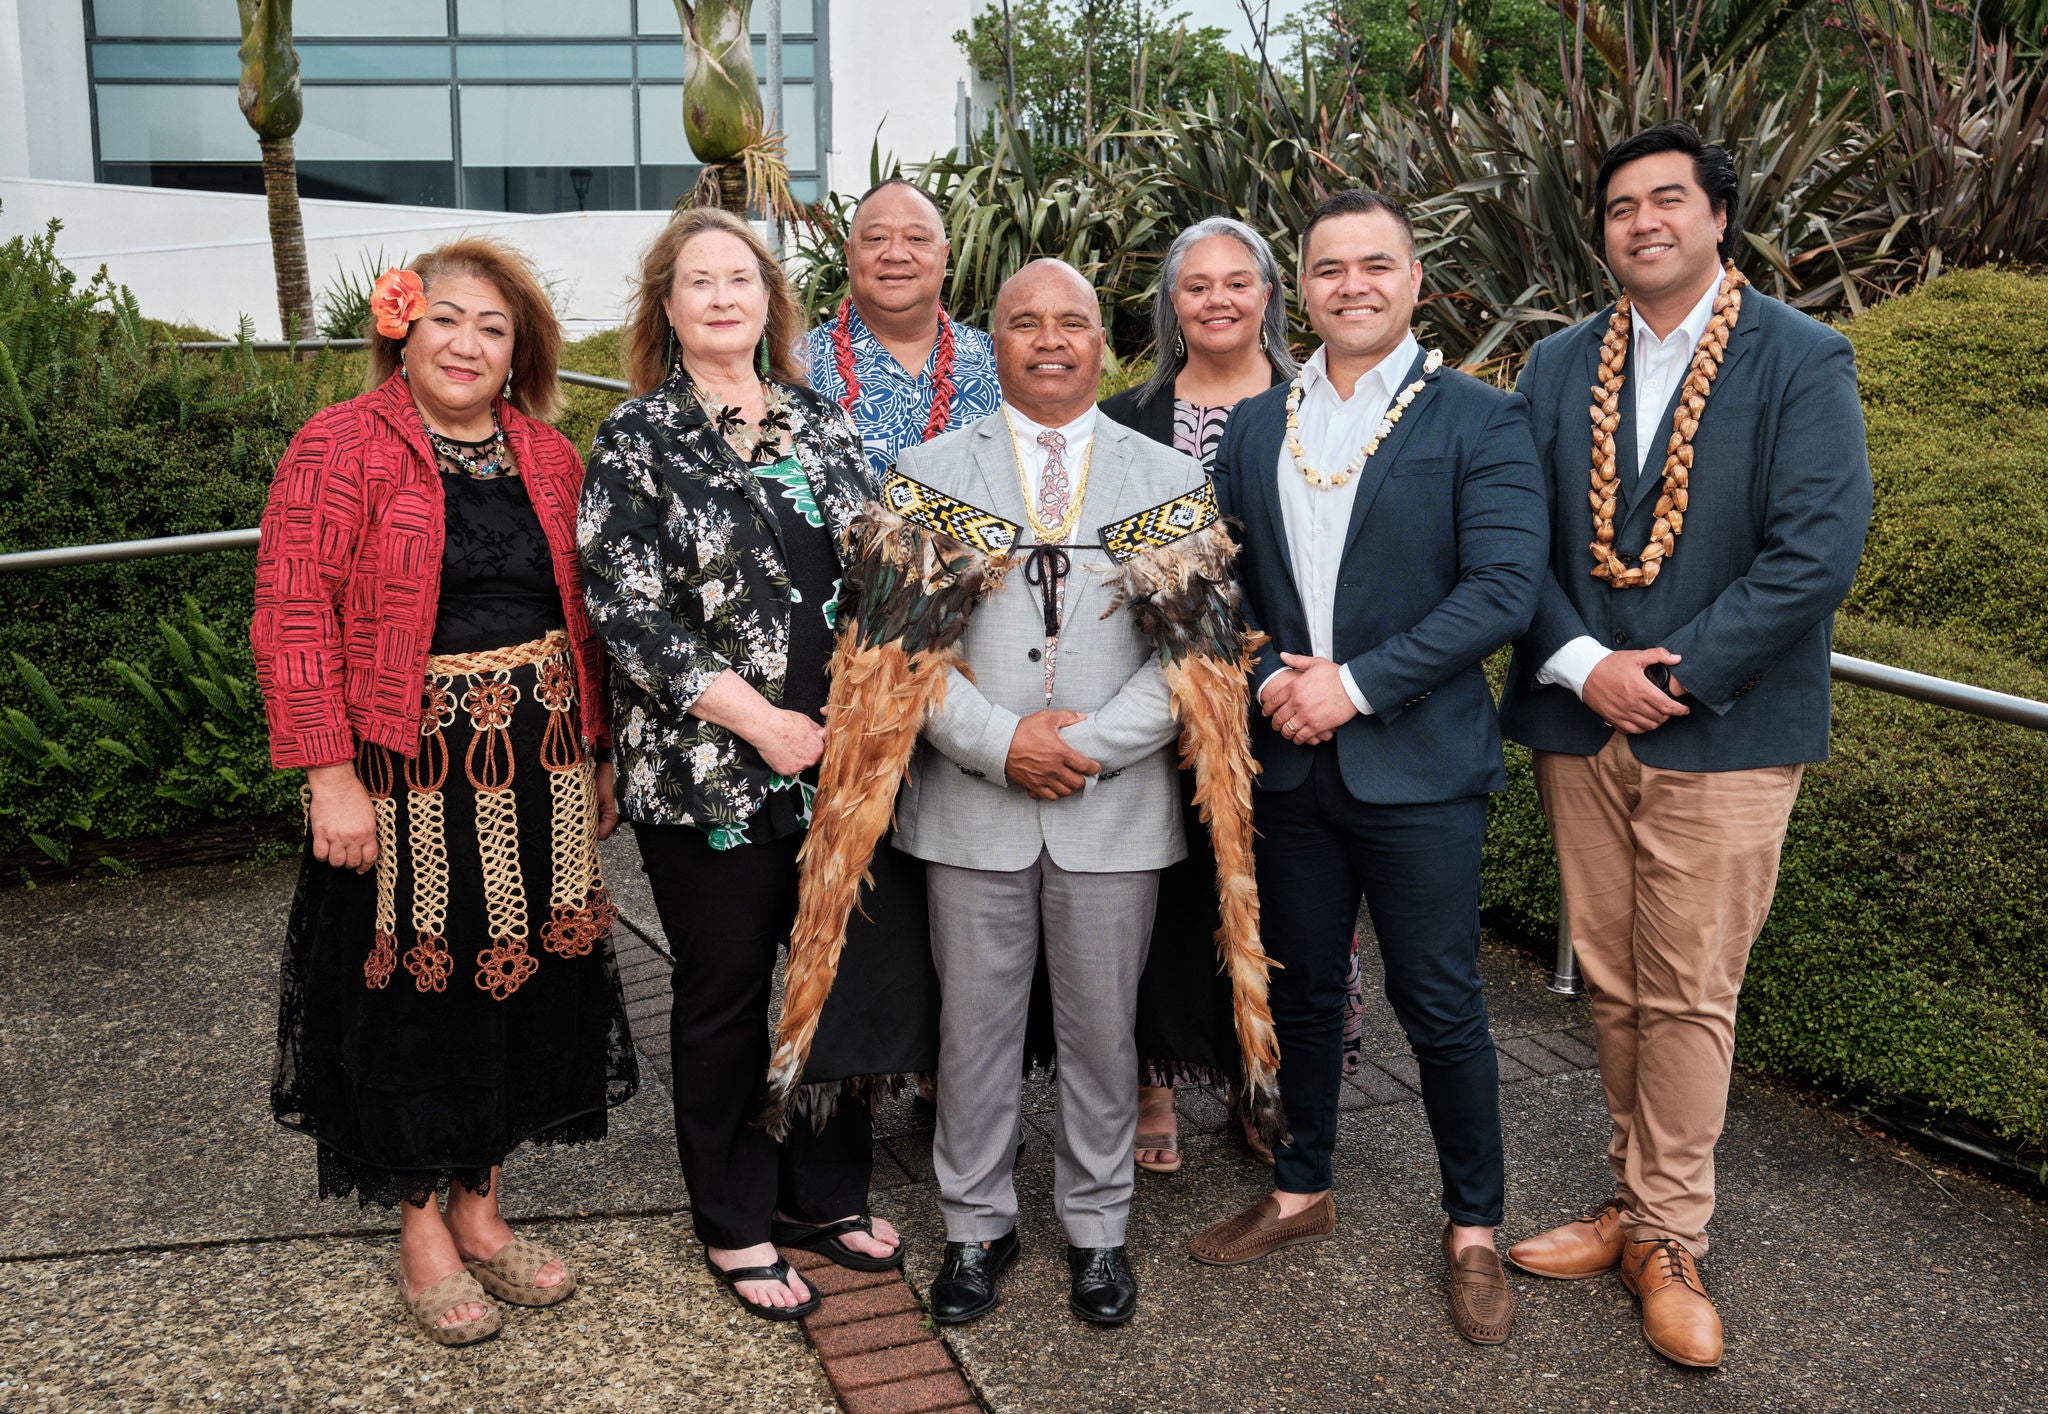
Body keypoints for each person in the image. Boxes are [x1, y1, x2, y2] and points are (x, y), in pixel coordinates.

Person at [1499, 123, 1871, 1370]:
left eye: (1668, 200)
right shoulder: (1554, 369)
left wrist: (1679, 672)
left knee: (1691, 992)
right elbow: (1512, 547)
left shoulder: (1800, 359)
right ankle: (1625, 1201)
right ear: (1597, 231)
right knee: (1608, 979)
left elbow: (1813, 550)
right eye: (1617, 206)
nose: (1641, 221)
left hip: (1726, 730)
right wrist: (1581, 664)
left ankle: (1666, 1231)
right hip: (1577, 715)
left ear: (1719, 216)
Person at [254, 239, 638, 1348]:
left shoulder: (550, 456)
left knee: (524, 985)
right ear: (403, 329)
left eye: (494, 327)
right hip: (405, 775)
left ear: (522, 350)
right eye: (447, 320)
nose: (467, 344)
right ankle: (420, 1224)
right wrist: (330, 775)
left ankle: (483, 1205)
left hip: (542, 767)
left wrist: (600, 751)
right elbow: (290, 614)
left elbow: (587, 619)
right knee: (416, 1000)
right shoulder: (340, 444)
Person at [1190, 190, 1547, 1349]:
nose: (1352, 284)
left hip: (1417, 765)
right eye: (1330, 267)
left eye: (1374, 265)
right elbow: (1218, 589)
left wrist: (1352, 683)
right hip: (1290, 763)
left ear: (1412, 281)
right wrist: (1268, 689)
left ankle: (1473, 1227)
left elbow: (1500, 591)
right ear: (1304, 285)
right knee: (1300, 990)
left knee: (1437, 1001)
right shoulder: (1257, 425)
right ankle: (1301, 1186)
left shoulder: (1480, 420)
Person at [577, 206, 906, 1324]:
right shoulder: (635, 437)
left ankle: (821, 1192)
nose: (723, 297)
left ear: (771, 302)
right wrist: (759, 722)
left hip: (839, 769)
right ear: (665, 308)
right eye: (698, 281)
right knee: (723, 992)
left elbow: (878, 570)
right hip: (709, 769)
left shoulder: (822, 422)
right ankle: (733, 1217)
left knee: (826, 979)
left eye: (742, 279)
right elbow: (625, 610)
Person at [892, 259, 1208, 1327]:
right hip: (972, 802)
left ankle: (1097, 1229)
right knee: (969, 1033)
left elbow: (1193, 662)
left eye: (1071, 320)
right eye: (1022, 322)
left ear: (1103, 342)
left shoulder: (1162, 478)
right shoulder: (929, 470)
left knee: (1101, 1033)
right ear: (996, 342)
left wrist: (1086, 746)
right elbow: (898, 654)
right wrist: (1000, 743)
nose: (1048, 338)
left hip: (1111, 807)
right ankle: (974, 1225)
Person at [1100, 215, 1362, 1176]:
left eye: (1236, 282)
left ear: (1268, 296)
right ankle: (1149, 1081)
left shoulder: (1316, 407)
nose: (1216, 300)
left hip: (1284, 692)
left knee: (1283, 902)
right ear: (1172, 304)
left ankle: (1266, 1081)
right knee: (1151, 896)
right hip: (1146, 690)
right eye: (1194, 284)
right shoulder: (1128, 416)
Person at [805, 177, 1000, 480]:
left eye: (918, 239)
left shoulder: (998, 362)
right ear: (848, 253)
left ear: (945, 254)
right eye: (876, 239)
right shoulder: (792, 367)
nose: (895, 254)